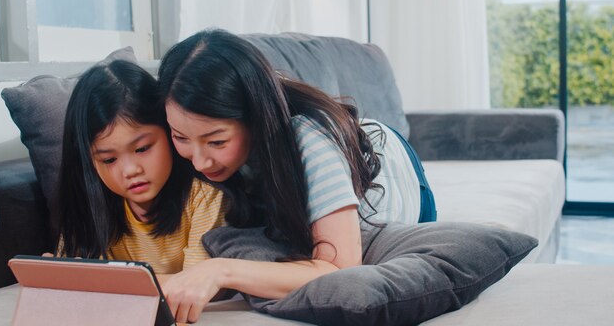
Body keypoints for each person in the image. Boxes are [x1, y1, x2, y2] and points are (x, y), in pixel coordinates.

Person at [157, 29, 436, 323]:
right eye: (180, 137)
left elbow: (340, 268)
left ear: (255, 118)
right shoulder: (182, 138)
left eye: (217, 141)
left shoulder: (308, 138)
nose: (199, 162)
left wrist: (219, 271)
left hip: (393, 167)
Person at [55, 59, 227, 279]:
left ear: (169, 130)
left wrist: (103, 279)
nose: (130, 170)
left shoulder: (204, 194)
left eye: (142, 148)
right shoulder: (89, 202)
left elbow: (193, 284)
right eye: (109, 160)